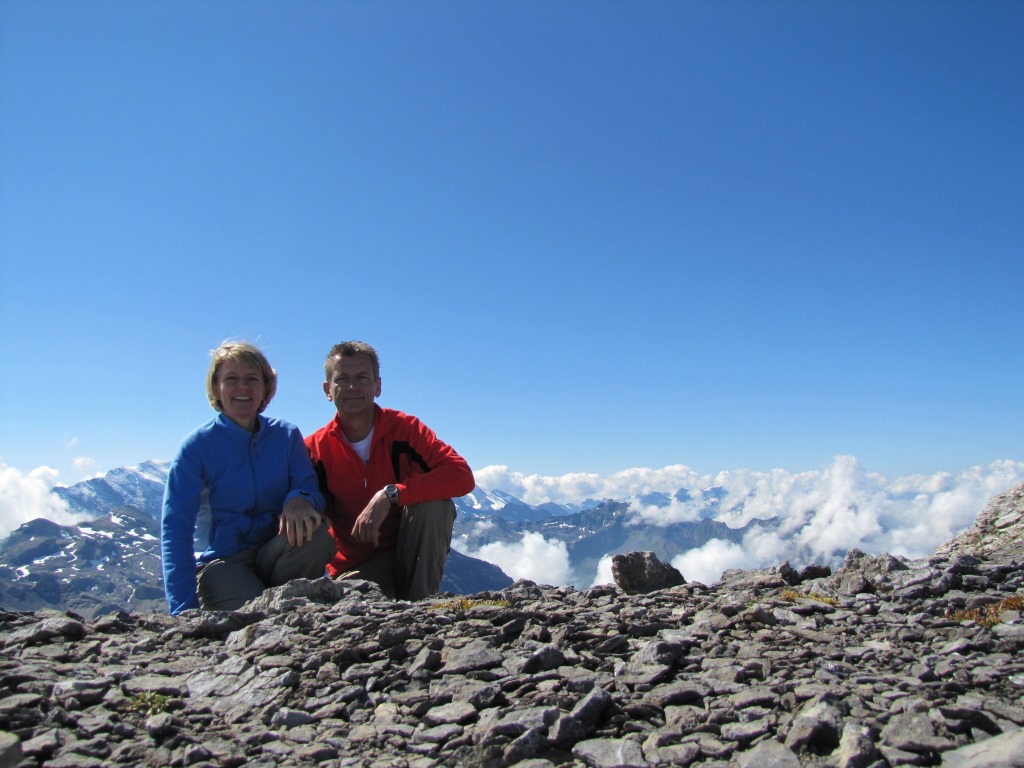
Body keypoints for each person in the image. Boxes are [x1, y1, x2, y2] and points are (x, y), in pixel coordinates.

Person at [161, 341, 336, 615]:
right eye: (231, 379)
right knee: (257, 617)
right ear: (216, 387)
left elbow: (308, 486)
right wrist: (183, 611)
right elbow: (176, 529)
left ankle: (290, 606)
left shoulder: (285, 435)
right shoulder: (197, 448)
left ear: (266, 388)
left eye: (252, 379)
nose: (242, 387)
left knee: (316, 535)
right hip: (223, 563)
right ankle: (276, 607)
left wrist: (300, 499)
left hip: (274, 552)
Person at [305, 340, 475, 601]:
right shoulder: (314, 450)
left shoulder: (405, 430)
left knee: (436, 506)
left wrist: (390, 495)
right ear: (328, 390)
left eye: (362, 378)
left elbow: (461, 475)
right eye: (342, 379)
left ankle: (420, 609)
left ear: (378, 386)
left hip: (410, 553)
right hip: (356, 569)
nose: (352, 386)